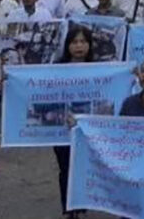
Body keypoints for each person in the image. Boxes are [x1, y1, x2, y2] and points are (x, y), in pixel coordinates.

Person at [53, 25, 96, 219]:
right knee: (66, 168)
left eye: (83, 42)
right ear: (68, 45)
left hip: (87, 129)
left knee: (83, 166)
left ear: (89, 45)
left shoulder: (100, 69)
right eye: (74, 42)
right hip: (63, 129)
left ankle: (80, 205)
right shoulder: (57, 69)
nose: (79, 46)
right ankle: (68, 209)